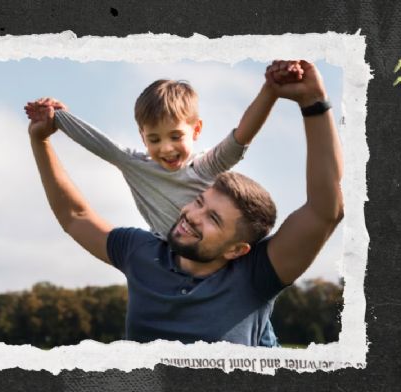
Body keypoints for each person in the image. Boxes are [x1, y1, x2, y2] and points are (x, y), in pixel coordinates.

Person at [26, 60, 343, 346]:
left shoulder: (256, 275)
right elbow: (75, 216)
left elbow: (325, 210)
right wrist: (40, 140)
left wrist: (313, 103)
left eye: (214, 219)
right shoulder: (141, 253)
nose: (191, 215)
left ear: (237, 249)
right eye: (199, 201)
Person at [24, 61, 303, 240]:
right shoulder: (136, 165)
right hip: (173, 261)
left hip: (227, 262)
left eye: (176, 136)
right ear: (142, 137)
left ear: (195, 131)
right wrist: (55, 116)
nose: (166, 148)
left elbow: (241, 136)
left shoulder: (204, 167)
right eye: (154, 139)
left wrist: (271, 89)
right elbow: (97, 142)